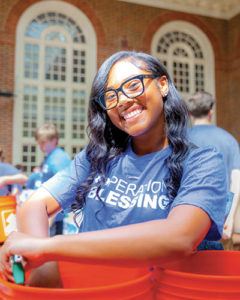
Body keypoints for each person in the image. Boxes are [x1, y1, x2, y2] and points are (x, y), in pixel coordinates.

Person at [0, 51, 228, 287]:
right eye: (110, 96)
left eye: (132, 85)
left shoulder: (202, 161)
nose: (122, 100)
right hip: (92, 288)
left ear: (162, 85)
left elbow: (179, 237)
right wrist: (45, 272)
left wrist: (48, 248)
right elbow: (34, 205)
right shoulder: (96, 157)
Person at [185, 91, 240, 241]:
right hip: (219, 223)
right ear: (211, 112)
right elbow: (236, 182)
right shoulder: (229, 140)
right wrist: (230, 220)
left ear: (190, 114)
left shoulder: (180, 139)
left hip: (186, 222)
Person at [25, 123, 71, 236]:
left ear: (54, 140)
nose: (40, 146)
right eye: (39, 142)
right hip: (45, 213)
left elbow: (65, 185)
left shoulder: (58, 158)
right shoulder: (50, 157)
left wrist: (53, 215)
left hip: (52, 215)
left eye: (43, 142)